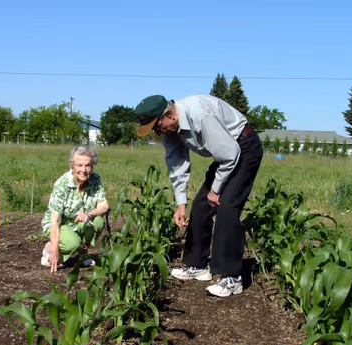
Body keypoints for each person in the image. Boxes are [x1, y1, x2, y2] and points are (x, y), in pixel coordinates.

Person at [135, 94, 263, 297]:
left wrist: (216, 190)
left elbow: (230, 154)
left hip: (244, 147)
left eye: (157, 127)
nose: (158, 133)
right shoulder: (170, 129)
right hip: (226, 155)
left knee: (228, 207)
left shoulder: (200, 114)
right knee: (201, 205)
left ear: (169, 114)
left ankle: (232, 277)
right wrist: (181, 203)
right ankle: (197, 265)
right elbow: (177, 163)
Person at [41, 145, 109, 273]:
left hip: (79, 223)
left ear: (92, 166)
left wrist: (89, 213)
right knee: (72, 243)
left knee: (98, 222)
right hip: (60, 224)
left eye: (88, 165)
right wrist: (55, 249)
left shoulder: (95, 180)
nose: (83, 170)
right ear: (72, 165)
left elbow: (104, 206)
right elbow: (55, 220)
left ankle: (83, 255)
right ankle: (49, 250)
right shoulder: (62, 184)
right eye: (79, 165)